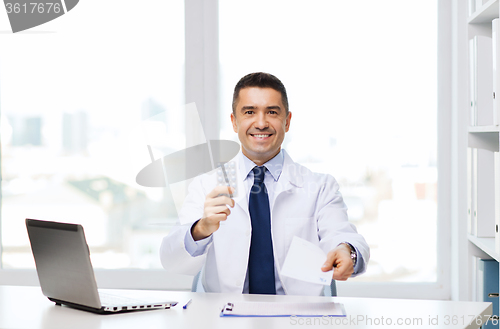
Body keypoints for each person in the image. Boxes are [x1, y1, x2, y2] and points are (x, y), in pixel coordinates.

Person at [160, 72, 369, 296]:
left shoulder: (320, 187)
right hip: (226, 319)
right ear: (234, 122)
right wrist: (201, 229)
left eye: (272, 112)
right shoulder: (206, 185)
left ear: (287, 121)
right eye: (249, 112)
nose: (261, 123)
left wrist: (348, 252)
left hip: (297, 317)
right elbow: (171, 259)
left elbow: (342, 236)